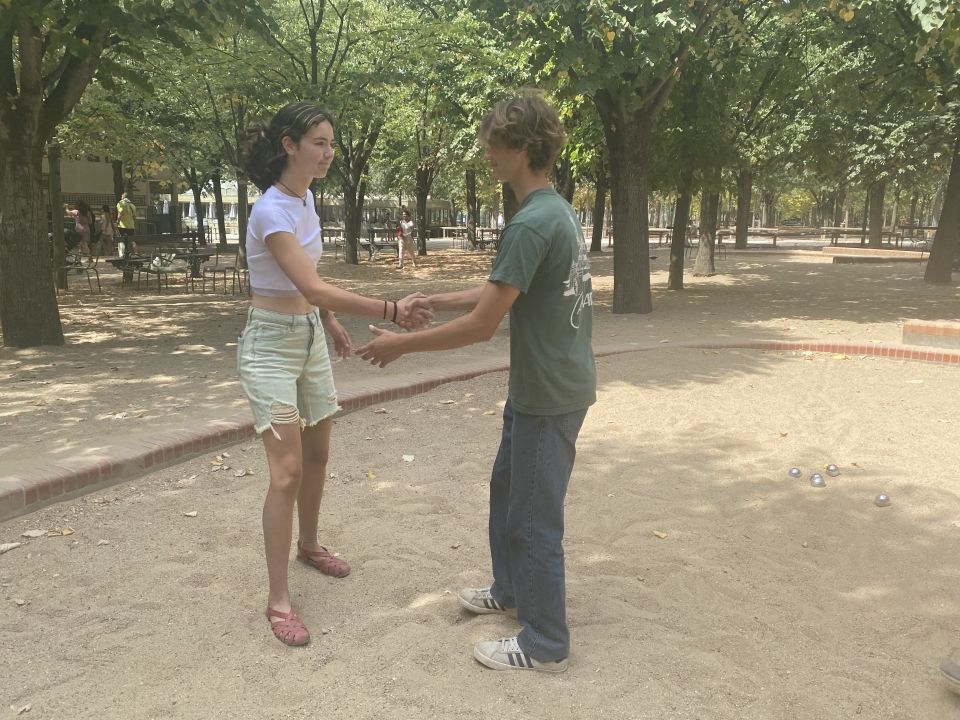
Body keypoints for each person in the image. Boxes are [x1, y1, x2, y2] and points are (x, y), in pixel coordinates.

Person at [357, 91, 595, 673]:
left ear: (523, 147)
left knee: (536, 517)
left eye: (495, 140)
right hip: (543, 386)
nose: (485, 149)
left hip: (549, 394)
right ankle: (512, 591)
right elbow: (501, 293)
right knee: (508, 495)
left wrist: (401, 345)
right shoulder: (549, 211)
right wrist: (432, 300)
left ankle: (546, 642)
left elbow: (484, 323)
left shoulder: (531, 222)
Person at [239, 101, 432, 647]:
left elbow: (311, 281)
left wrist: (329, 321)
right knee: (286, 471)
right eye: (319, 142)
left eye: (331, 142)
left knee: (318, 455)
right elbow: (314, 283)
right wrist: (391, 310)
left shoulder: (306, 201)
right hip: (270, 352)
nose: (328, 152)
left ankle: (310, 545)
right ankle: (278, 600)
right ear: (289, 145)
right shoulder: (270, 210)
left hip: (307, 345)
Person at [116, 191, 136, 257]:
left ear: (123, 197)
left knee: (121, 241)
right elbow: (134, 217)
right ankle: (134, 253)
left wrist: (117, 222)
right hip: (131, 226)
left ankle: (122, 255)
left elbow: (120, 213)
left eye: (121, 196)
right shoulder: (132, 206)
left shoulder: (120, 203)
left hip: (122, 226)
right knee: (131, 240)